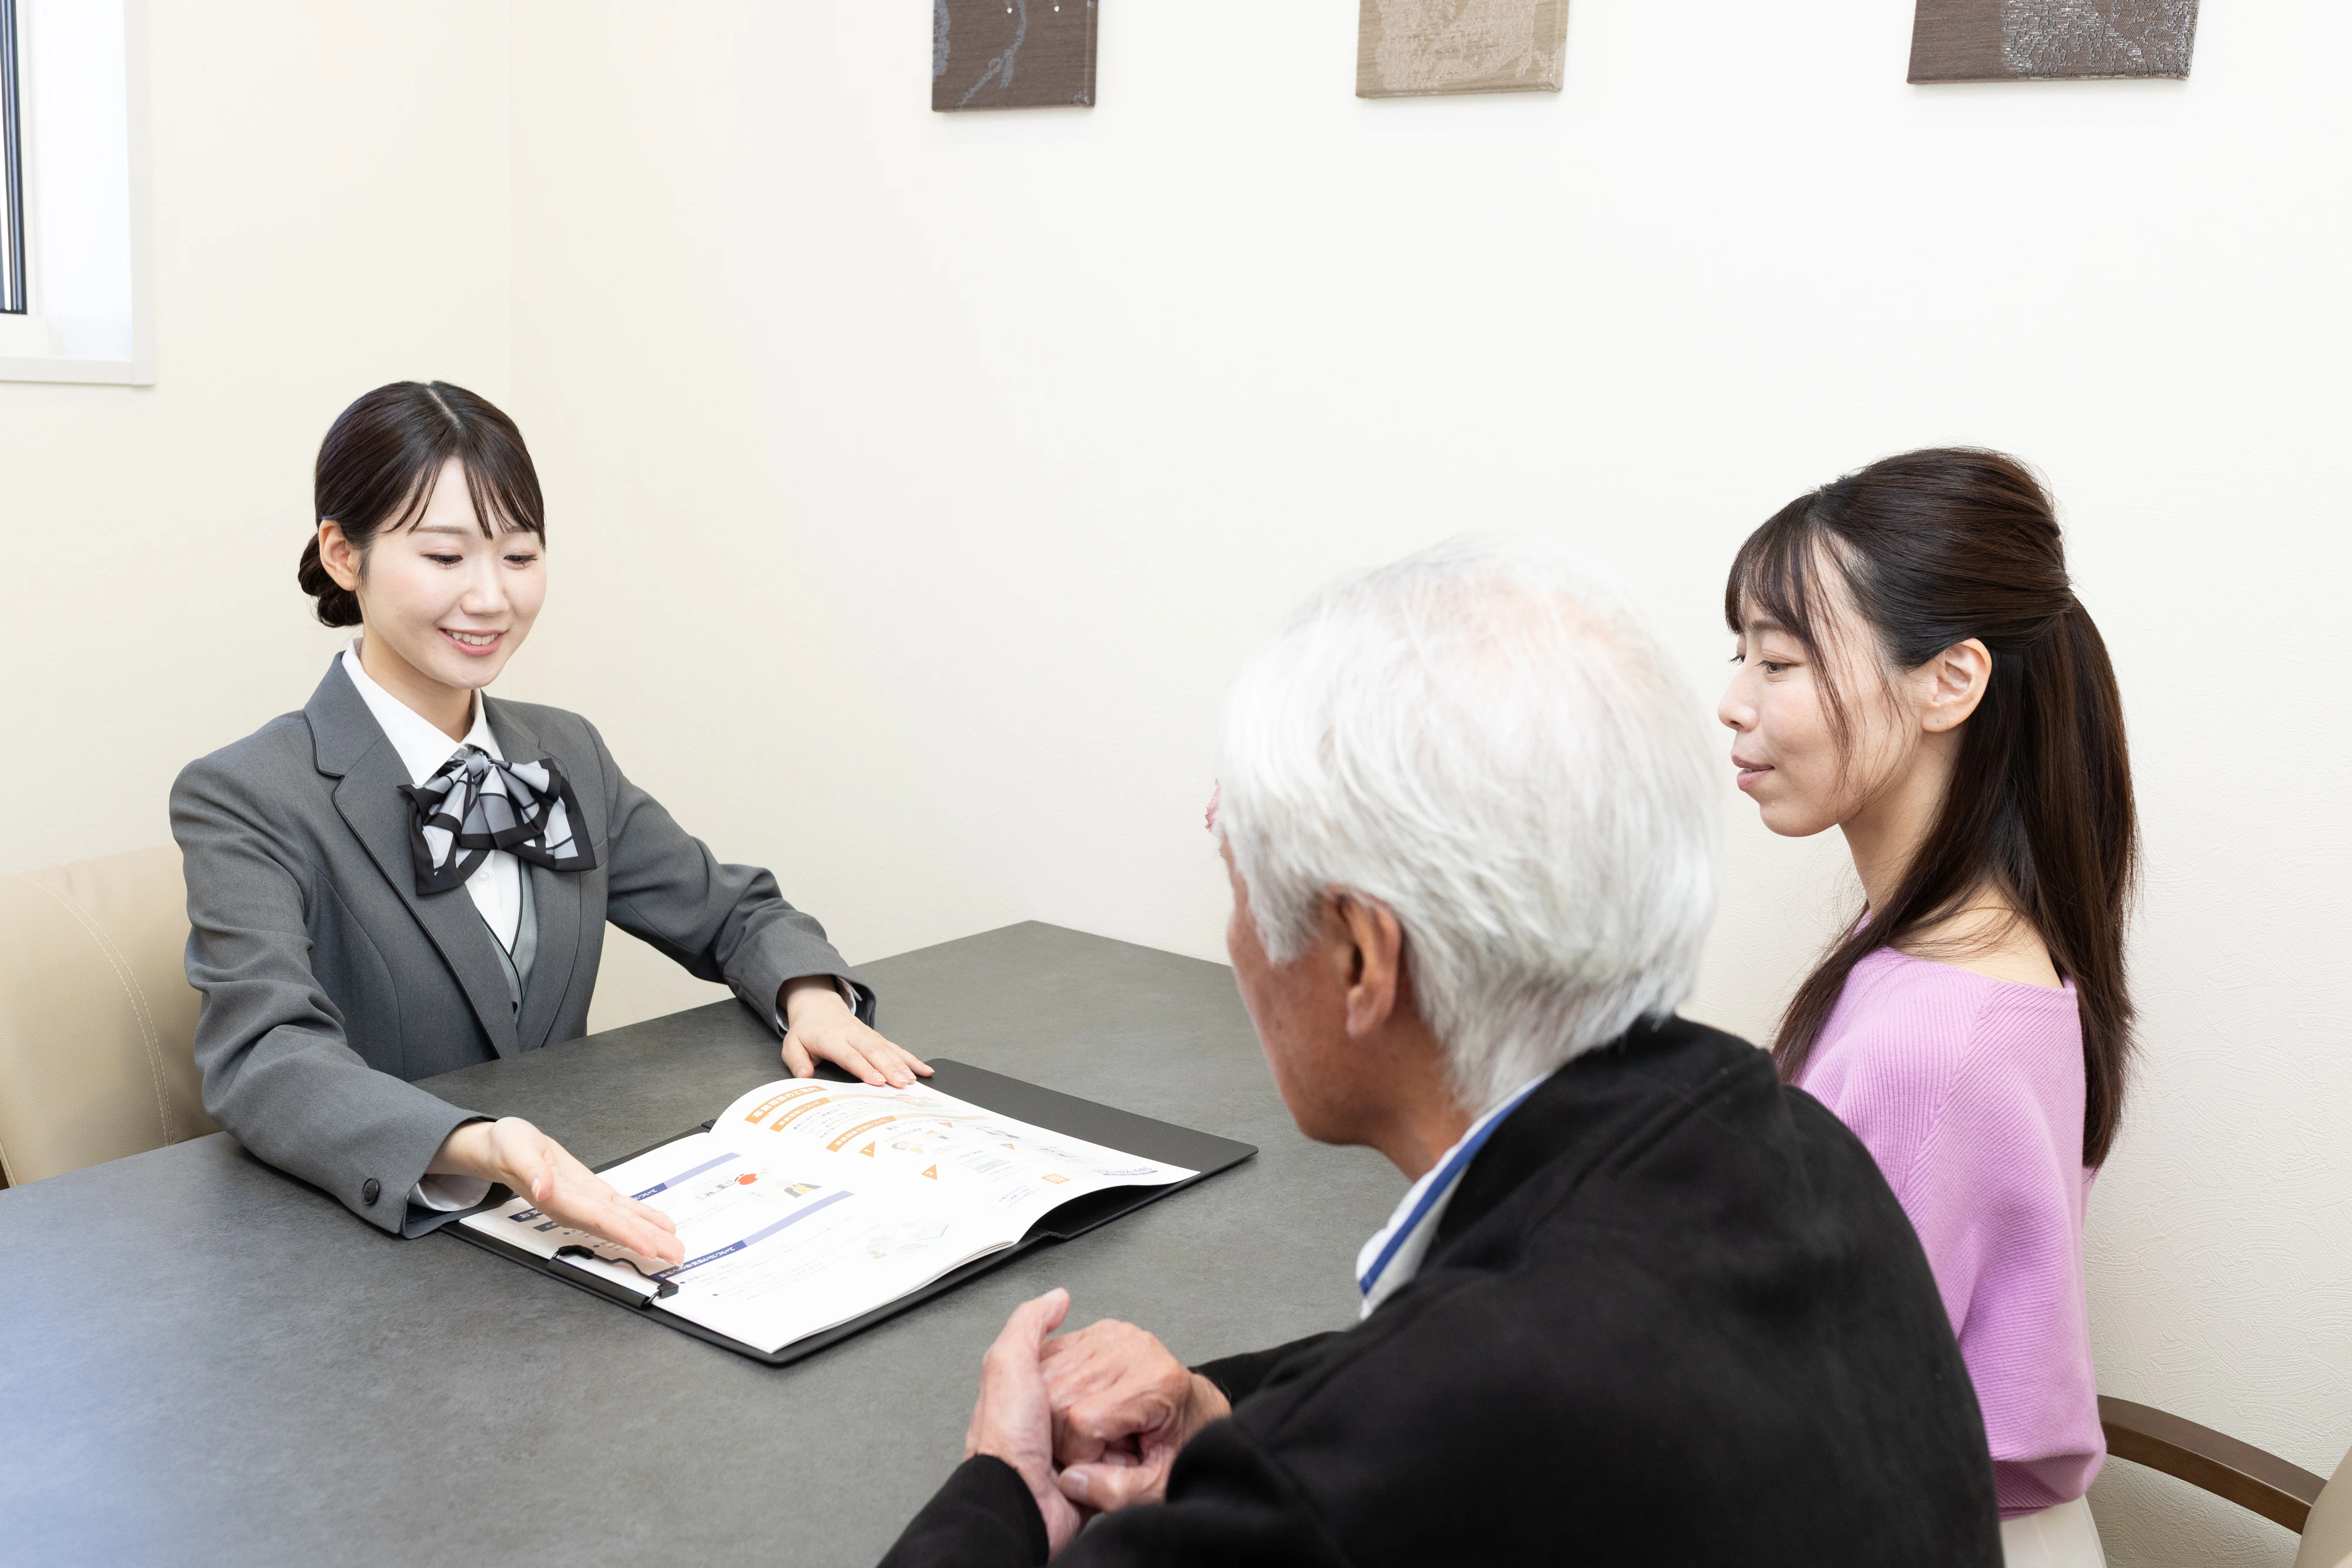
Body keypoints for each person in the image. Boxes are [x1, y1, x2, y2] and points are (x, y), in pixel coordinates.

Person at [878, 541, 2002, 1566]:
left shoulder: (1356, 1489)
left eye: (1241, 876)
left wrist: (1002, 1487)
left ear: (1366, 958)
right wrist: (1219, 1413)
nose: (1235, 939)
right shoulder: (1796, 1150)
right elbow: (1484, 1382)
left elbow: (1434, 1425)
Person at [172, 381, 929, 1260]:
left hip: (577, 1223)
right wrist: (480, 1145)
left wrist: (812, 998)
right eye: (446, 557)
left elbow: (733, 912)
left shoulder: (566, 751)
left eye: (519, 556)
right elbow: (265, 1059)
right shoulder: (246, 792)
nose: (490, 598)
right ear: (344, 554)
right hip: (381, 1245)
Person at [1716, 449, 2135, 1568]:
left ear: (1949, 680)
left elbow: (1799, 1413)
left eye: (1781, 661)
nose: (1734, 701)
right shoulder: (1968, 945)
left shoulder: (1932, 1038)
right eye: (1741, 655)